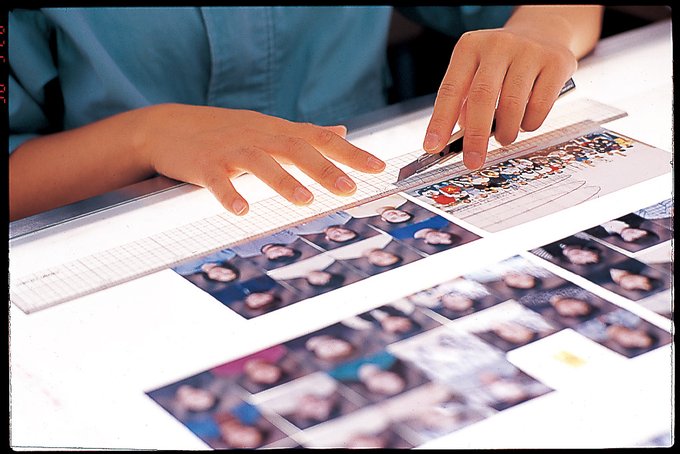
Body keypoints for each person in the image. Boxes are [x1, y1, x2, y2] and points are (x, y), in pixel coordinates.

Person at [9, 6, 604, 221]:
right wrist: (144, 136)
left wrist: (544, 28)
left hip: (372, 191)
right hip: (105, 221)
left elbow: (567, 9)